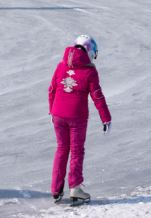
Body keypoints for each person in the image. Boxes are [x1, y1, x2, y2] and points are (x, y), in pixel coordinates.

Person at [47, 35, 111, 205]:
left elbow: (52, 89)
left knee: (62, 149)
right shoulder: (89, 71)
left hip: (58, 115)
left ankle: (56, 189)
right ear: (90, 52)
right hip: (77, 117)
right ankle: (75, 189)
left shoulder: (61, 66)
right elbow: (97, 96)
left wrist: (52, 111)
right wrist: (106, 118)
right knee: (76, 151)